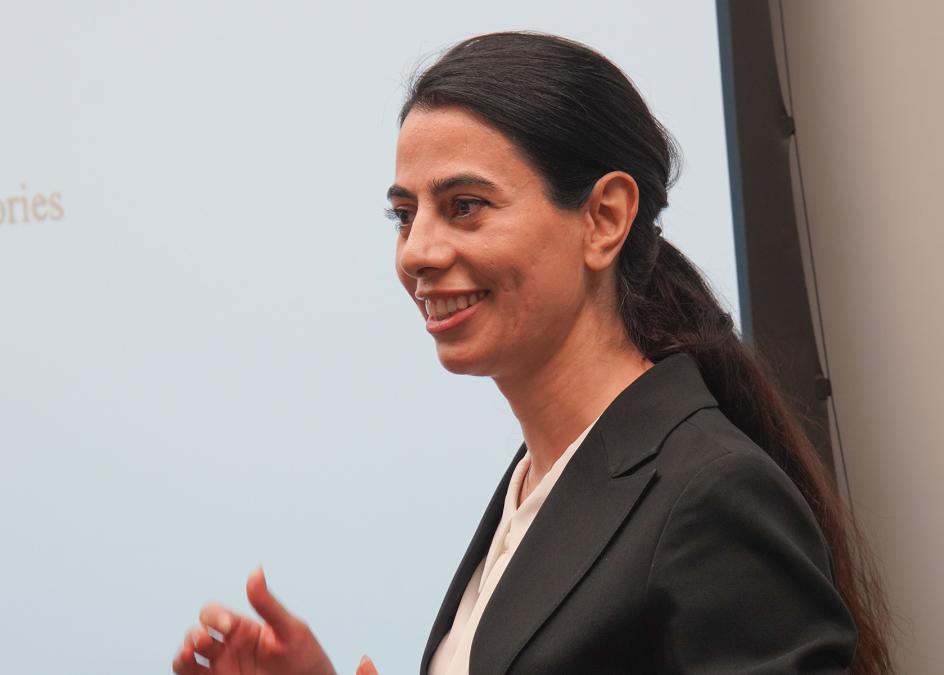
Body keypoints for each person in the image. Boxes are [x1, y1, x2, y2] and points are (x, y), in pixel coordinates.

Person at [171, 32, 893, 675]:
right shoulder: (538, 483)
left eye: (465, 205)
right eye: (403, 214)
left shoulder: (708, 495)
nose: (417, 251)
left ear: (605, 218)